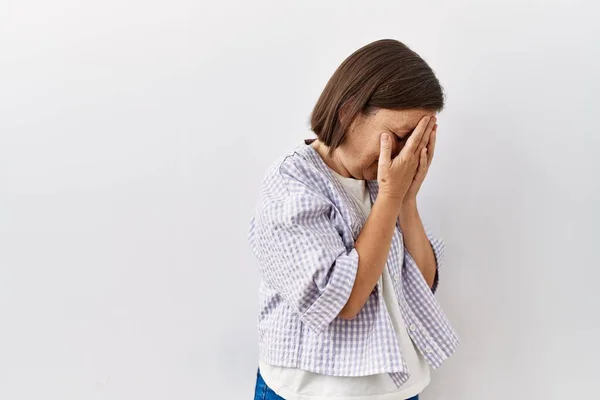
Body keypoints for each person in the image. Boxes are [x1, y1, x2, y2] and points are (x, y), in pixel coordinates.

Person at [249, 39, 459, 400]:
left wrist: (406, 199)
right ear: (348, 112)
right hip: (311, 393)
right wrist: (392, 195)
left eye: (417, 142)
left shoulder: (382, 183)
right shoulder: (292, 185)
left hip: (399, 390)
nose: (406, 154)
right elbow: (341, 302)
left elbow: (421, 283)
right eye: (399, 137)